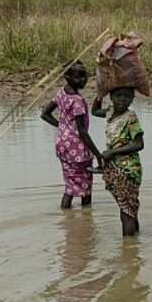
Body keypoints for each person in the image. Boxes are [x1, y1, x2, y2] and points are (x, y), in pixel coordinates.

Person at [41, 60, 103, 209]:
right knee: (85, 186)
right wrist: (98, 155)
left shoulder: (61, 93)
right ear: (67, 77)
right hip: (77, 147)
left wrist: (63, 128)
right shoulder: (77, 101)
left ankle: (67, 217)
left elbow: (45, 114)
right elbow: (82, 132)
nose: (83, 80)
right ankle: (87, 220)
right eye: (78, 77)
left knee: (70, 184)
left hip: (63, 145)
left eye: (85, 76)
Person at [92, 87, 145, 237]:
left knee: (126, 212)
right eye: (118, 95)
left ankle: (128, 253)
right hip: (115, 167)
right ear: (111, 97)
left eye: (127, 96)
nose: (122, 99)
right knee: (129, 208)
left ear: (132, 99)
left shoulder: (131, 117)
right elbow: (94, 111)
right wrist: (99, 93)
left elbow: (139, 144)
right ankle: (134, 244)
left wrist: (112, 152)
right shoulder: (109, 112)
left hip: (128, 170)